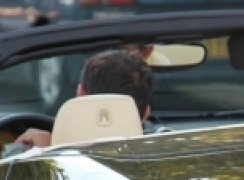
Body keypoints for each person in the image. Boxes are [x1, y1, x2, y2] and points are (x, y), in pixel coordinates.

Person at [16, 50, 154, 149]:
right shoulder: (166, 162)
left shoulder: (42, 163)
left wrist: (50, 149)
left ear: (80, 94)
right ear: (146, 113)